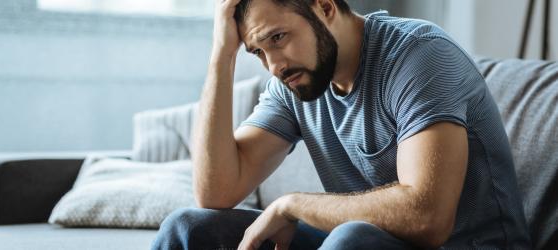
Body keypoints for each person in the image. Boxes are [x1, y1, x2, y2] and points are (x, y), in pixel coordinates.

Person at [152, 0, 531, 249]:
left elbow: (426, 217)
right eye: (258, 52)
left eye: (278, 38)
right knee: (188, 227)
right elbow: (215, 192)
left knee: (350, 238)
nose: (274, 65)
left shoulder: (419, 56)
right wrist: (221, 57)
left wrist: (293, 205)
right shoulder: (294, 82)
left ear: (325, 6)